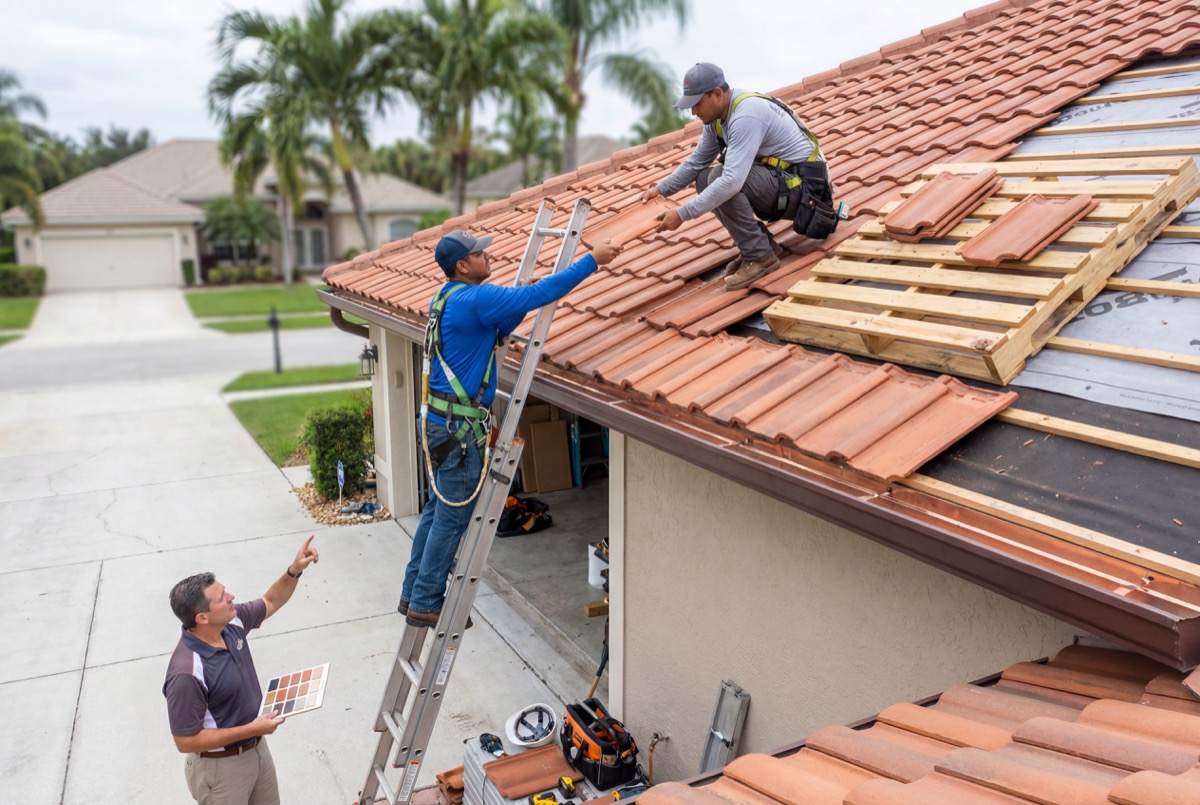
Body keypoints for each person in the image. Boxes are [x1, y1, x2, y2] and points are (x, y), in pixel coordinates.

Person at [400, 230, 618, 627]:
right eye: (479, 253)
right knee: (452, 518)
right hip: (458, 431)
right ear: (462, 266)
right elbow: (534, 298)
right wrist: (593, 260)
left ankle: (413, 592)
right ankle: (427, 601)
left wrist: (523, 297)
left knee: (437, 511)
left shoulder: (446, 298)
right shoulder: (476, 298)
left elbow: (502, 321)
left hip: (439, 422)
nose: (488, 255)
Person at [642, 62, 831, 292]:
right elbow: (696, 162)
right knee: (704, 177)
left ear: (717, 94)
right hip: (783, 184)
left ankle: (760, 256)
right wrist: (660, 189)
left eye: (697, 104)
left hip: (807, 195)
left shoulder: (745, 116)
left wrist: (682, 214)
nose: (693, 112)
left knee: (722, 177)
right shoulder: (717, 120)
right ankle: (761, 244)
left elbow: (732, 181)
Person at [163, 536, 320, 805]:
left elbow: (270, 601)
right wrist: (249, 729)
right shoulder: (187, 672)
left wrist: (294, 570)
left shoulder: (231, 622)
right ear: (202, 618)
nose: (231, 597)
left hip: (257, 751)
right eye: (222, 598)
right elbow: (185, 741)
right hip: (220, 770)